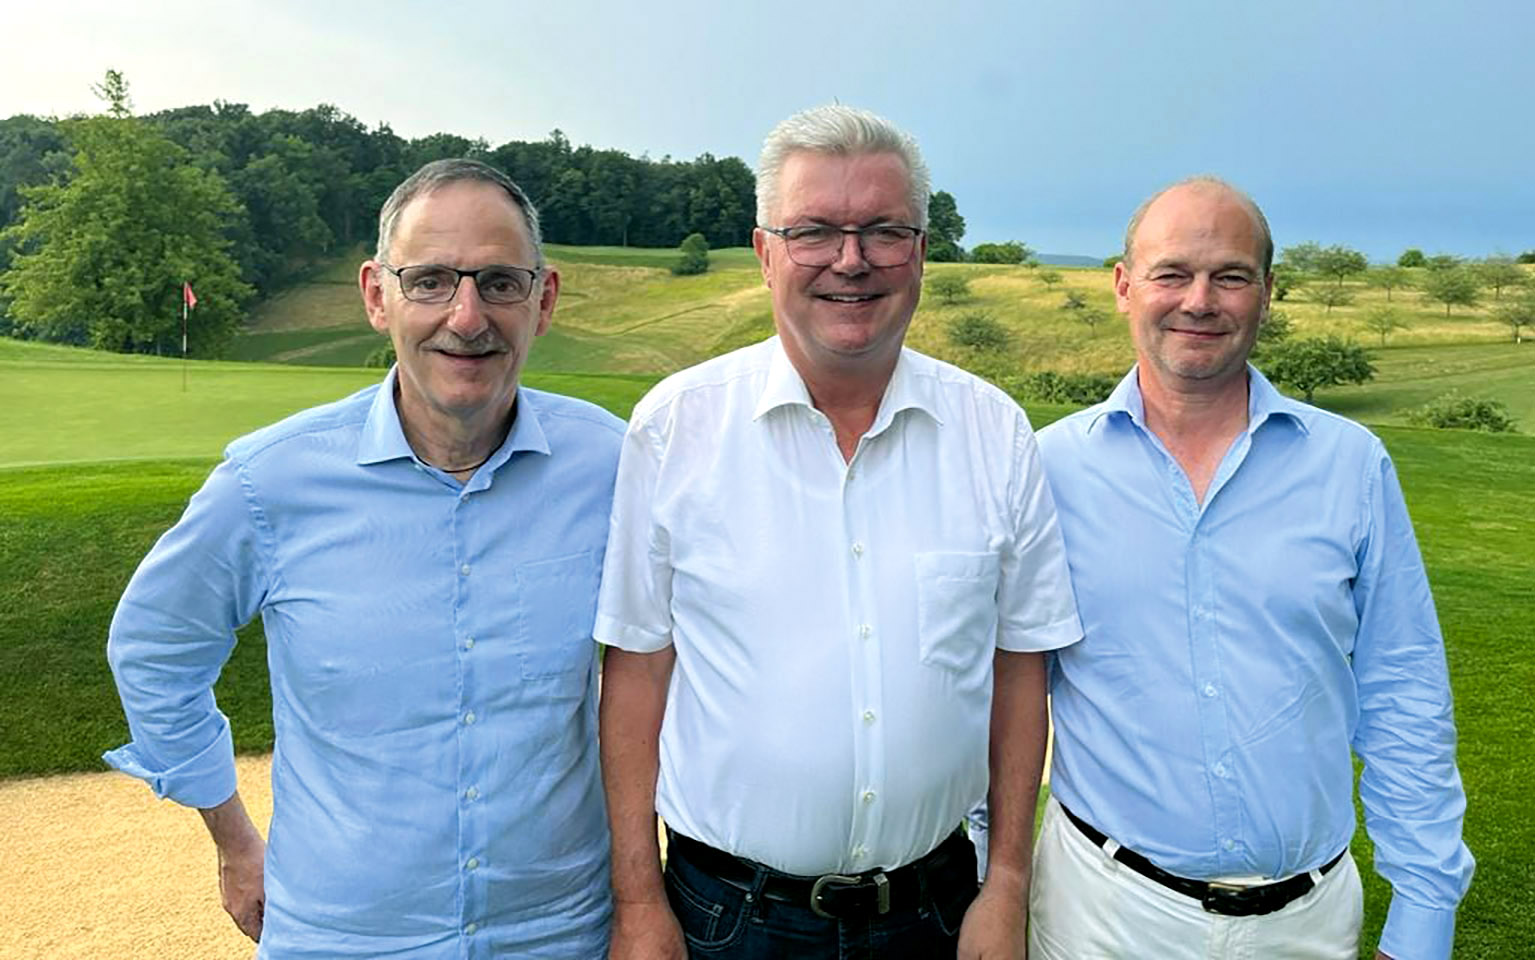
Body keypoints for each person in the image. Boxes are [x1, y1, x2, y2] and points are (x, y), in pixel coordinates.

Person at [595, 104, 1082, 960]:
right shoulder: (675, 428)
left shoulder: (993, 432)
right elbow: (637, 672)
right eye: (814, 230)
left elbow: (1019, 668)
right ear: (764, 251)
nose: (849, 262)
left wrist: (1005, 883)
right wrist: (637, 901)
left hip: (934, 911)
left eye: (883, 231)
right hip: (730, 918)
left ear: (921, 249)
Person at [104, 158, 620, 958]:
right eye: (431, 280)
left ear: (543, 299)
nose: (467, 315)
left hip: (561, 935)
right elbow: (155, 647)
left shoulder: (613, 464)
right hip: (343, 937)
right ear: (377, 295)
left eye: (500, 282)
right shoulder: (267, 481)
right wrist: (231, 834)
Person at [1025, 177, 1474, 959]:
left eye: (1229, 276)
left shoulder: (1349, 465)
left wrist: (1423, 914)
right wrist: (991, 882)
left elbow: (1402, 688)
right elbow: (1006, 695)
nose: (1198, 300)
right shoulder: (1046, 468)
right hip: (1099, 913)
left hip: (1306, 922)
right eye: (1171, 273)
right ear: (1123, 286)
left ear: (1267, 293)